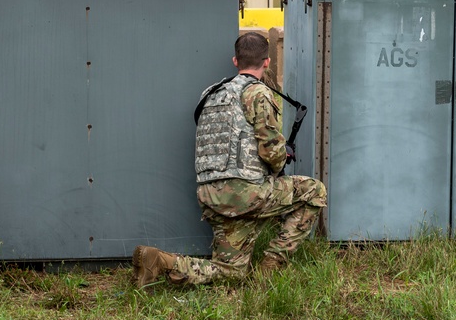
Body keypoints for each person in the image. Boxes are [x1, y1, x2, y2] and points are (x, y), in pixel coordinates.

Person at [133, 31, 327, 287]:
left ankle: (161, 261)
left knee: (230, 272)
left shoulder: (210, 94)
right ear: (267, 62)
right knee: (314, 191)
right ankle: (271, 266)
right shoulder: (258, 93)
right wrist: (284, 156)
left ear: (235, 61)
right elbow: (271, 153)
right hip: (245, 194)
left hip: (211, 195)